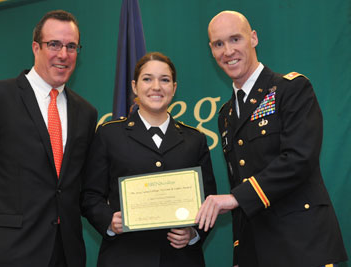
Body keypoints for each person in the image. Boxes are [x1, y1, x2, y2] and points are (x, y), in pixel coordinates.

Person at [195, 10, 348, 267]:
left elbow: (299, 159)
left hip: (300, 244)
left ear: (253, 38)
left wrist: (236, 198)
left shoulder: (291, 89)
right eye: (219, 44)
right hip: (254, 249)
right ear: (211, 50)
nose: (228, 51)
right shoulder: (226, 115)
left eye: (235, 39)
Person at [0, 10, 97, 267]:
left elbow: (80, 186)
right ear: (35, 47)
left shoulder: (86, 112)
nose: (63, 54)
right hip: (5, 253)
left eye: (71, 46)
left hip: (66, 254)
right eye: (54, 44)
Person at [82, 52, 217, 267]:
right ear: (135, 86)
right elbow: (90, 195)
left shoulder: (195, 139)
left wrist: (193, 233)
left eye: (164, 80)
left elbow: (209, 199)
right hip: (125, 256)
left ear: (174, 87)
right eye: (147, 79)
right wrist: (109, 221)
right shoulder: (109, 135)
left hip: (181, 259)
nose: (156, 86)